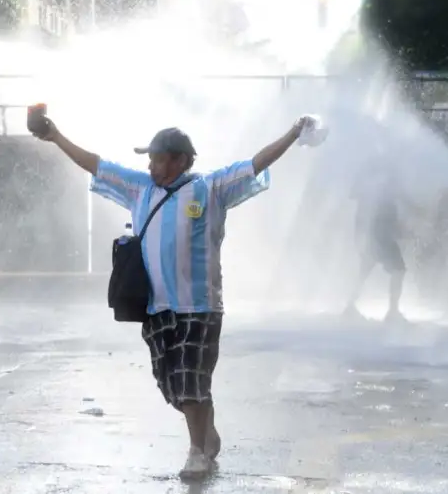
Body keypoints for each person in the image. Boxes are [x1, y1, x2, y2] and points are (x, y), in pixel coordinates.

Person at [33, 116, 315, 479]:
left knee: (189, 381)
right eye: (149, 159)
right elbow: (96, 164)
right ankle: (206, 427)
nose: (150, 166)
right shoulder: (140, 189)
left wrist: (292, 133)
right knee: (173, 386)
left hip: (199, 308)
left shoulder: (211, 188)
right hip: (156, 308)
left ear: (181, 160)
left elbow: (256, 163)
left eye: (158, 159)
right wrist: (56, 136)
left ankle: (197, 452)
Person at [344, 164, 416, 323]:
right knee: (398, 270)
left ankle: (350, 306)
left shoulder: (372, 183)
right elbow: (388, 216)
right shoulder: (382, 183)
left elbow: (355, 196)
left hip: (370, 236)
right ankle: (392, 311)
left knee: (364, 271)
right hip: (380, 237)